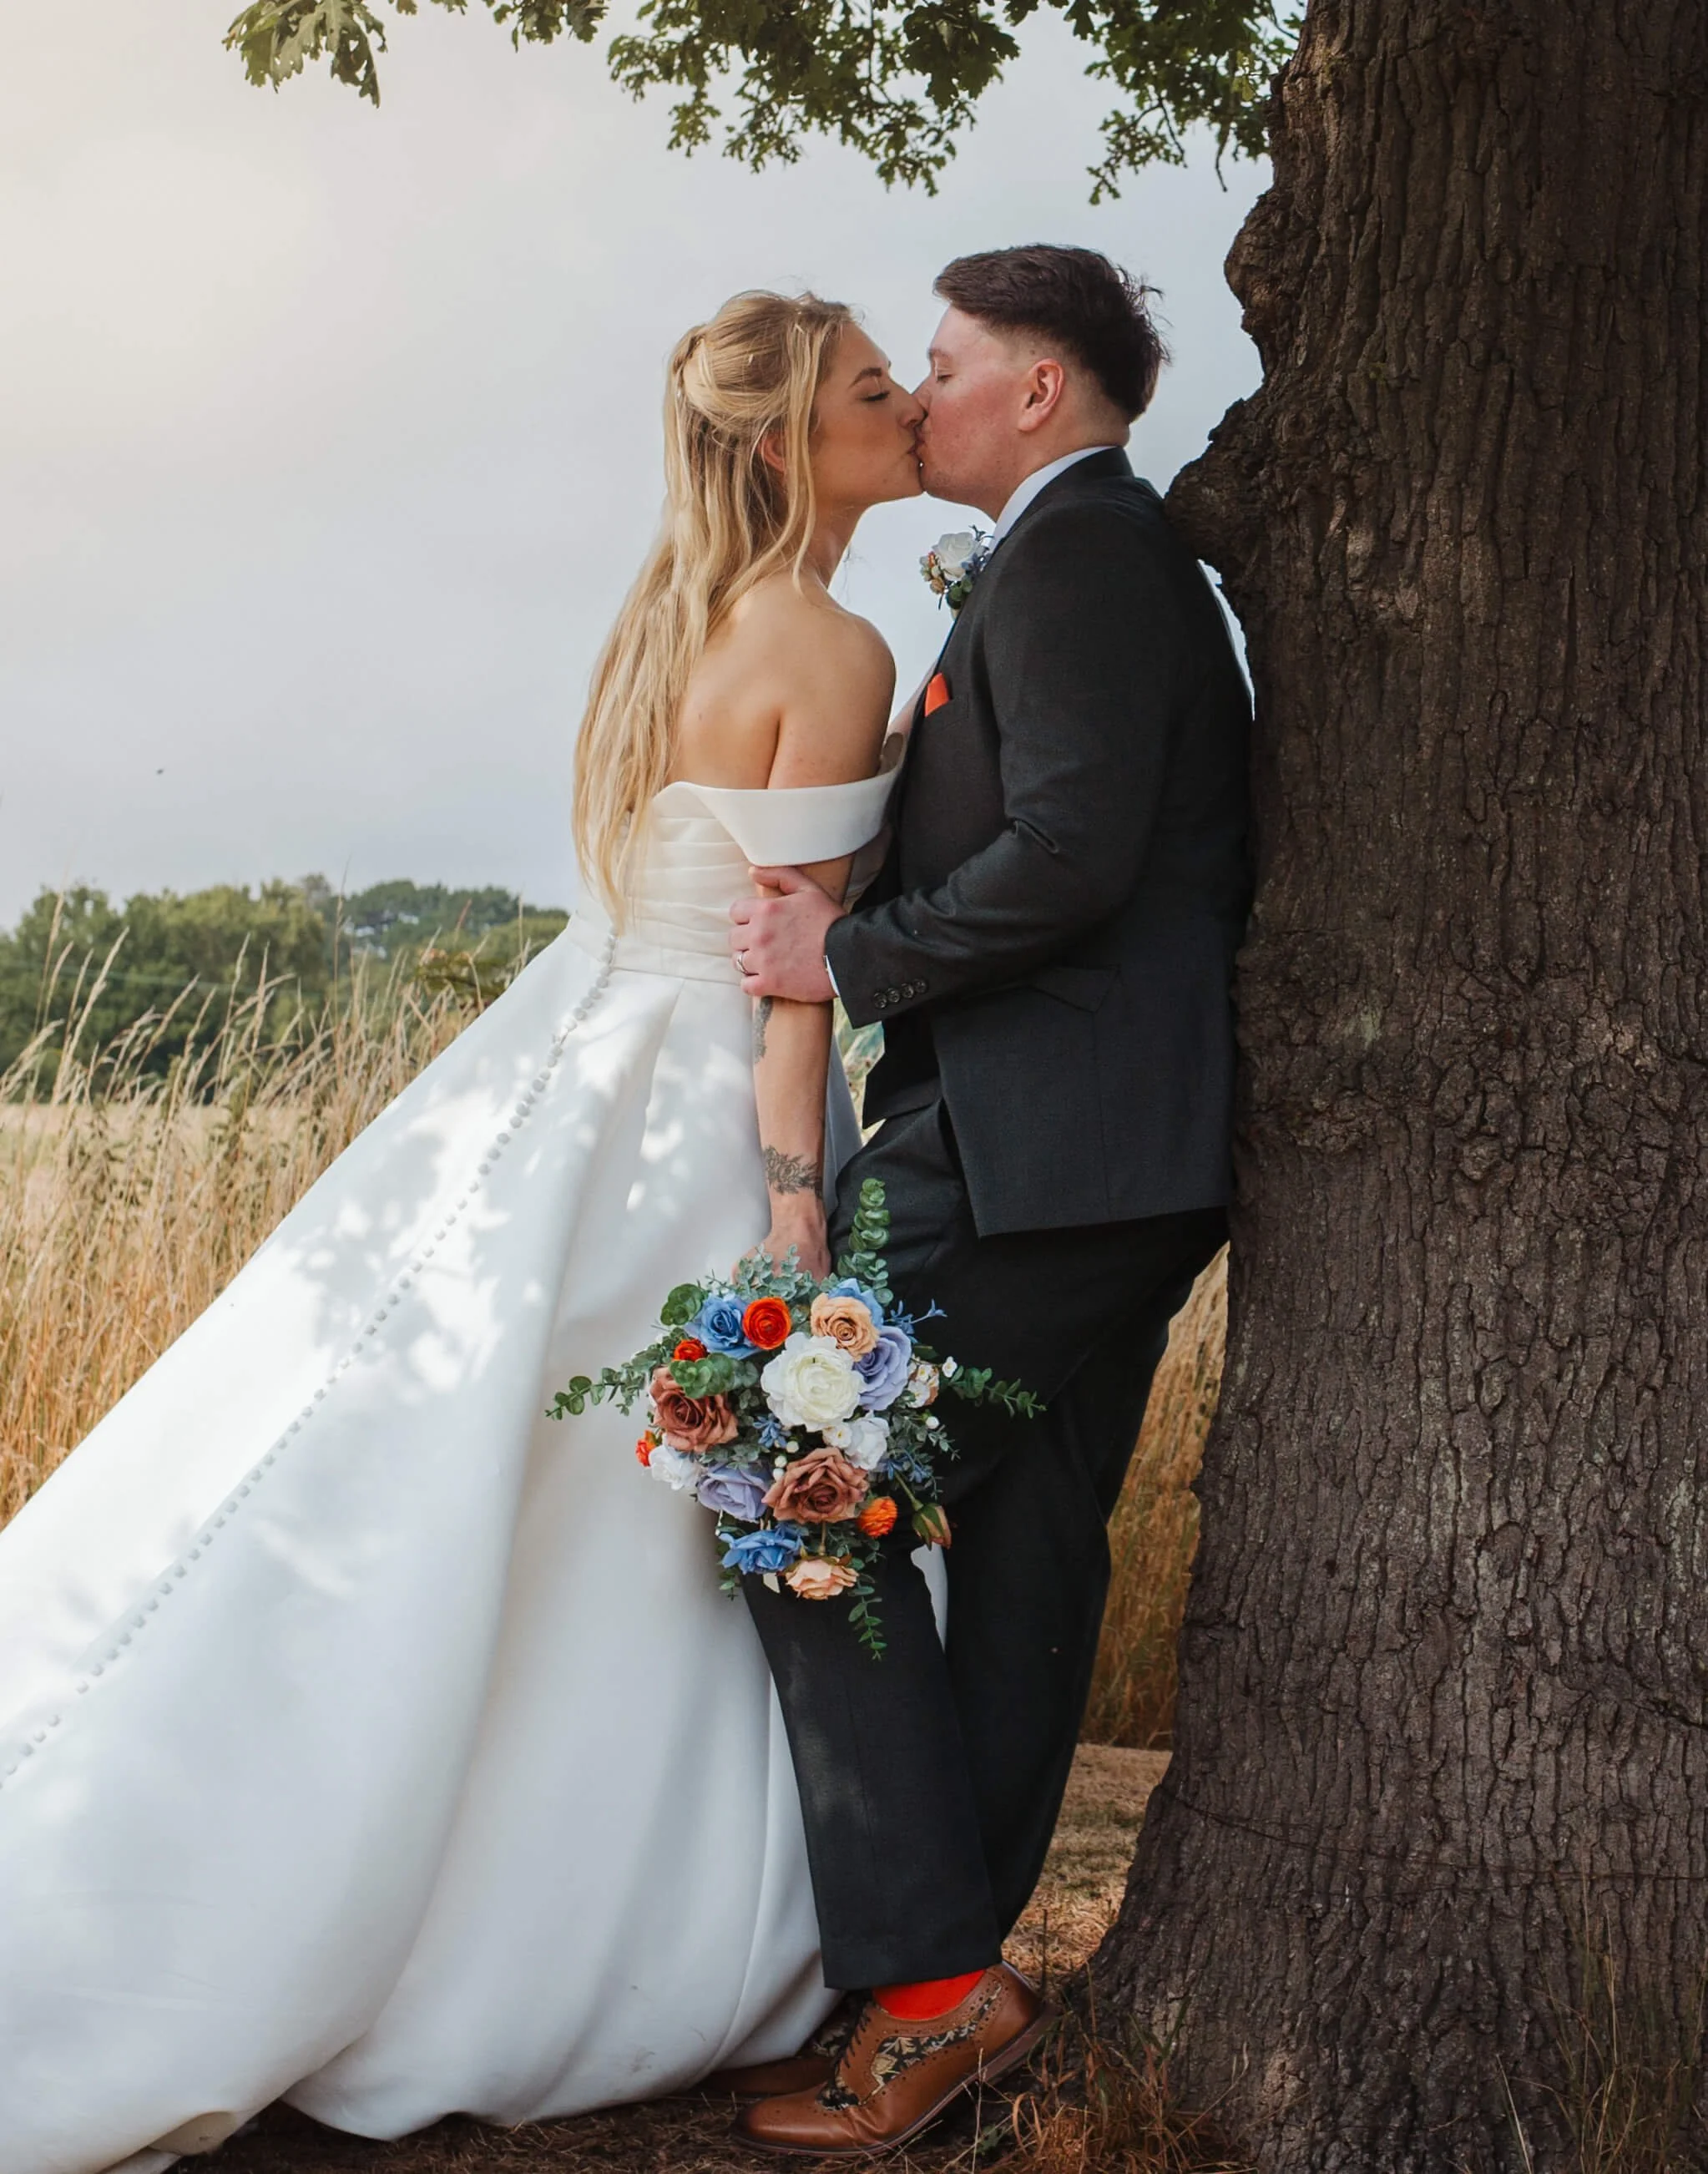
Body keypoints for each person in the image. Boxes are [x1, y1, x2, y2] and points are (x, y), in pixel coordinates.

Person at [0, 290, 938, 2173]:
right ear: (783, 447)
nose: (904, 401)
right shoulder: (830, 640)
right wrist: (788, 1216)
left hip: (569, 1053)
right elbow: (790, 975)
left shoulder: (669, 620)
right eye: (865, 388)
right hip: (694, 1102)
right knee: (625, 1519)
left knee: (496, 1489)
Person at [726, 244, 1253, 2156]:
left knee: (786, 1483)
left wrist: (842, 956)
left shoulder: (1089, 551)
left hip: (1047, 1157)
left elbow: (1075, 853)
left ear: (1036, 389)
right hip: (1090, 1154)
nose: (915, 395)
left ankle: (938, 1989)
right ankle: (952, 1991)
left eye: (939, 366)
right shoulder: (1055, 555)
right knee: (1024, 1550)